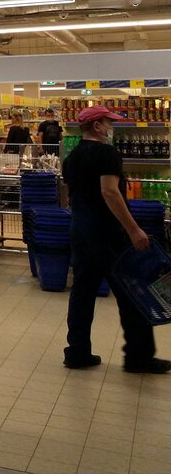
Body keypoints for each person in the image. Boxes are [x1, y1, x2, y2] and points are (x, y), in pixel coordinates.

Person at [61, 105, 170, 373]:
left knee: (82, 293)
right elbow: (110, 193)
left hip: (80, 231)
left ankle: (77, 352)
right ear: (97, 126)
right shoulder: (107, 154)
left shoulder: (72, 157)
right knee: (132, 293)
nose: (111, 127)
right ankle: (138, 356)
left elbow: (72, 196)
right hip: (109, 235)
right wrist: (134, 230)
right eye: (109, 123)